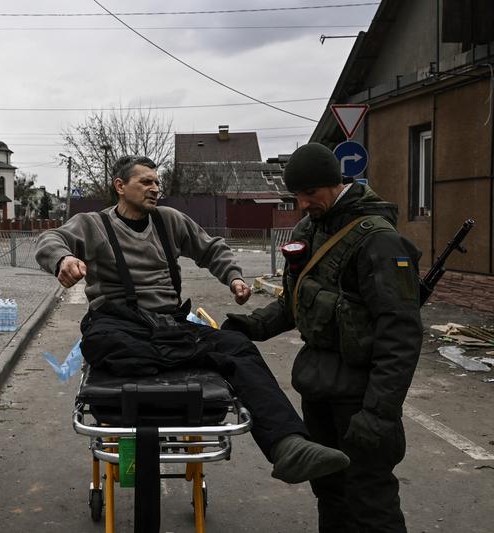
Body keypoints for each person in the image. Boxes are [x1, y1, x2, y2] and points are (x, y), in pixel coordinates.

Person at [35, 154, 350, 485]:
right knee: (100, 342)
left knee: (237, 345)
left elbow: (212, 249)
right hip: (119, 324)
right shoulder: (93, 224)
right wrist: (64, 259)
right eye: (145, 182)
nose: (155, 188)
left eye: (157, 182)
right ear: (120, 186)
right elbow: (51, 240)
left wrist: (234, 278)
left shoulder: (169, 221)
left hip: (168, 325)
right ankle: (176, 357)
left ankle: (289, 445)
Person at [224, 143, 423, 532]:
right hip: (319, 388)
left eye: (310, 194)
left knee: (370, 499)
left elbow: (400, 333)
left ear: (335, 183)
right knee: (329, 491)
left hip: (361, 395)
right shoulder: (309, 228)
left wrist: (378, 412)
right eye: (296, 195)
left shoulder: (378, 240)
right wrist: (253, 326)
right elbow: (295, 301)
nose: (302, 204)